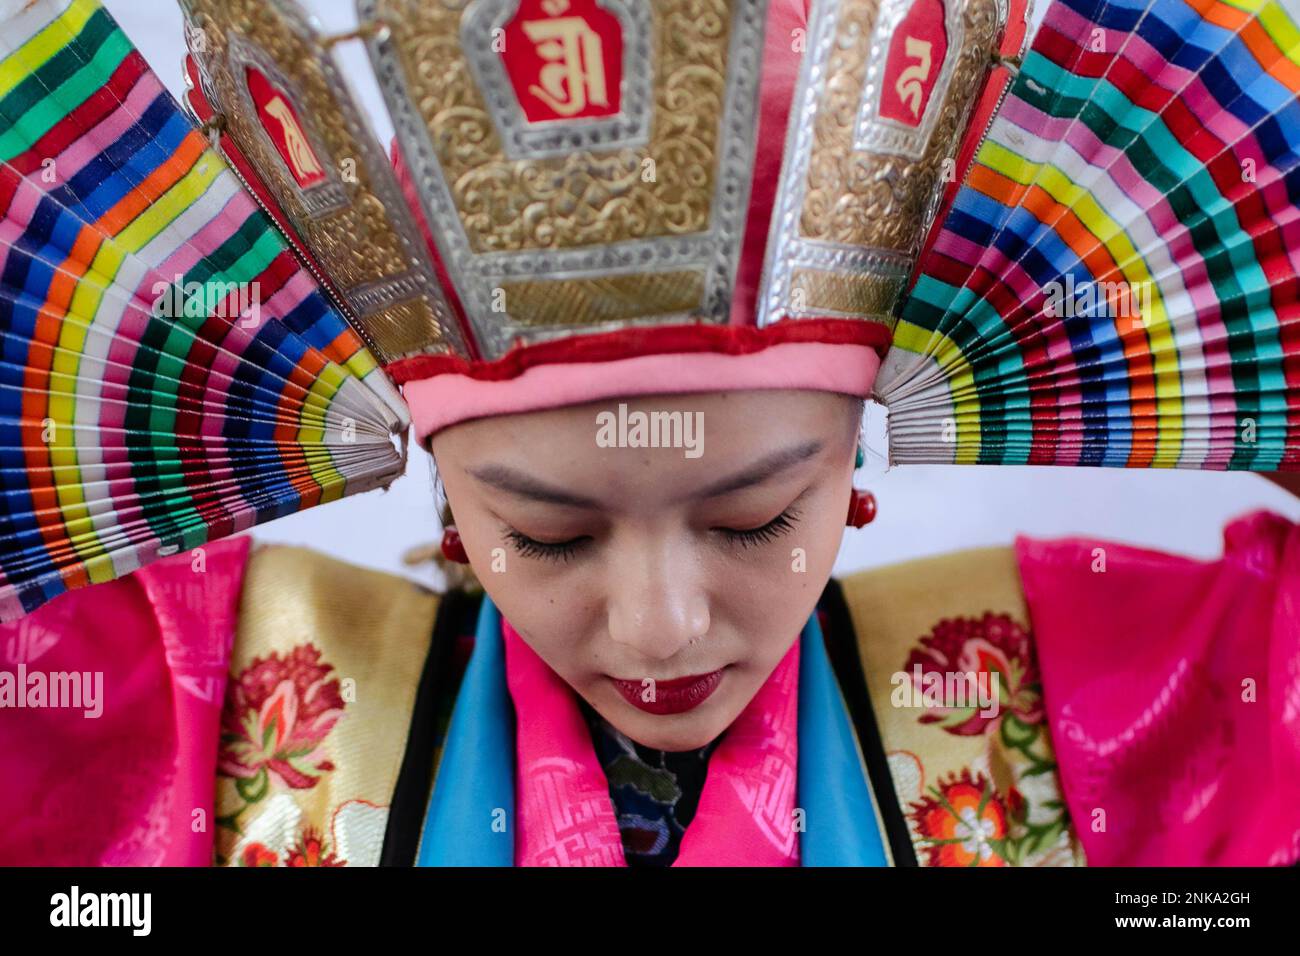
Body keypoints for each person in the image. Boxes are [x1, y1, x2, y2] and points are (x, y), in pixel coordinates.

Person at [1, 0, 1298, 869]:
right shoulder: (208, 684)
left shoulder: (1070, 676)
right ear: (449, 505)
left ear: (854, 472)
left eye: (753, 518)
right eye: (549, 534)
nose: (663, 625)